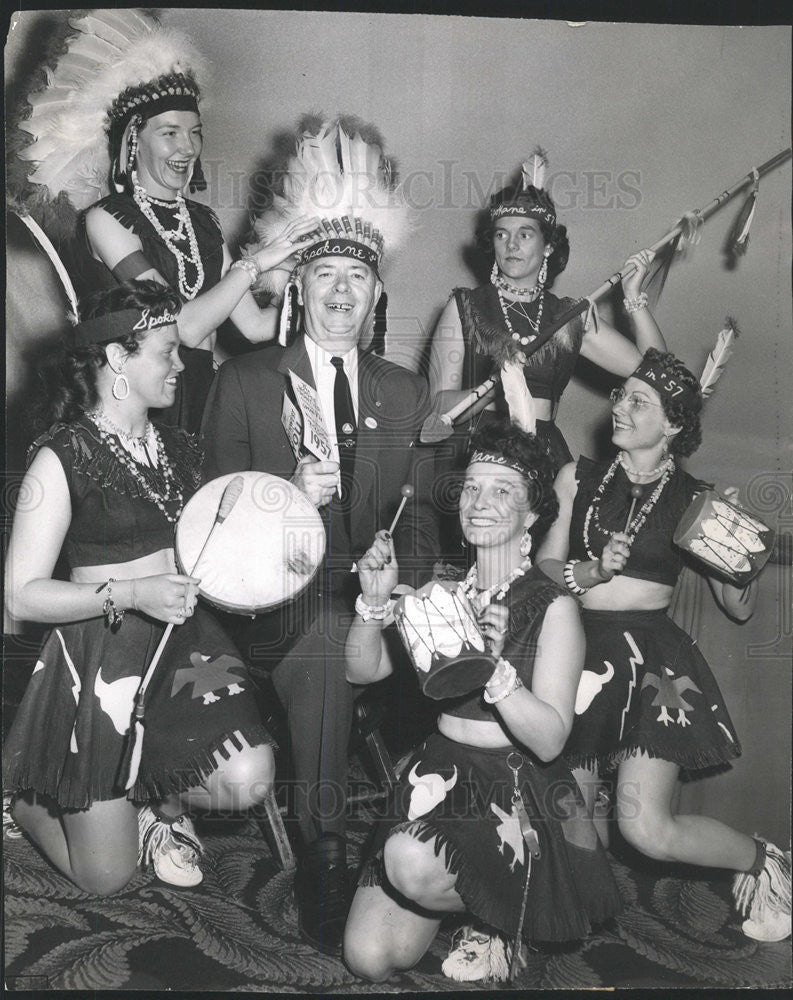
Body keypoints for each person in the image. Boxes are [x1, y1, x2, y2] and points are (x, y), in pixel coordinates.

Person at [201, 118, 439, 953]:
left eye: (358, 279)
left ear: (377, 296)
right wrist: (282, 501)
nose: (343, 292)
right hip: (265, 603)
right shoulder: (247, 381)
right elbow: (209, 530)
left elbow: (425, 522)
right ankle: (325, 854)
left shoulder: (404, 393)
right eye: (326, 275)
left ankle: (461, 838)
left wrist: (397, 580)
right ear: (298, 287)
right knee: (325, 635)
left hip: (373, 604)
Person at [3, 281, 275, 895]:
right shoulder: (62, 455)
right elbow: (18, 595)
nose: (182, 364)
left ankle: (160, 810)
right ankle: (24, 799)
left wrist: (292, 499)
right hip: (102, 658)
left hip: (184, 646)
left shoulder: (181, 450)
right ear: (118, 359)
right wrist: (130, 595)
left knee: (248, 778)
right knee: (106, 878)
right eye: (166, 352)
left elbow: (222, 545)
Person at [341, 421, 622, 983]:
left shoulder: (552, 607)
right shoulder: (441, 592)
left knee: (408, 862)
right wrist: (372, 605)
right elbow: (362, 669)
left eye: (502, 490)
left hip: (513, 788)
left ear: (531, 514)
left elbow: (550, 739)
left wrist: (498, 671)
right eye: (471, 487)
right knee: (369, 959)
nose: (479, 502)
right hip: (438, 774)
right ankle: (477, 901)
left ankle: (498, 921)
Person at [537, 348, 791, 944]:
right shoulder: (578, 477)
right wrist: (590, 573)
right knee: (575, 819)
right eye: (621, 395)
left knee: (646, 828)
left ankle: (766, 864)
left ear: (672, 425)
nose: (618, 407)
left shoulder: (694, 498)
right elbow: (544, 568)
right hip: (573, 652)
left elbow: (739, 606)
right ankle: (588, 914)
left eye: (638, 401)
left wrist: (738, 553)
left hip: (654, 665)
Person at [16, 9, 317, 434]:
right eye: (170, 133)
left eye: (195, 132)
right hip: (144, 406)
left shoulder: (204, 221)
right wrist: (256, 265)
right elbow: (184, 328)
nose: (187, 147)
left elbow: (253, 327)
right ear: (133, 140)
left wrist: (309, 289)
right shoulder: (107, 219)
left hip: (205, 399)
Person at [428, 152, 666, 474]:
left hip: (546, 460)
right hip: (481, 454)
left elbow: (658, 373)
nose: (511, 245)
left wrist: (634, 296)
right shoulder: (464, 307)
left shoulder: (568, 317)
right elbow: (435, 408)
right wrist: (499, 385)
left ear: (548, 246)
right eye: (502, 234)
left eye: (525, 234)